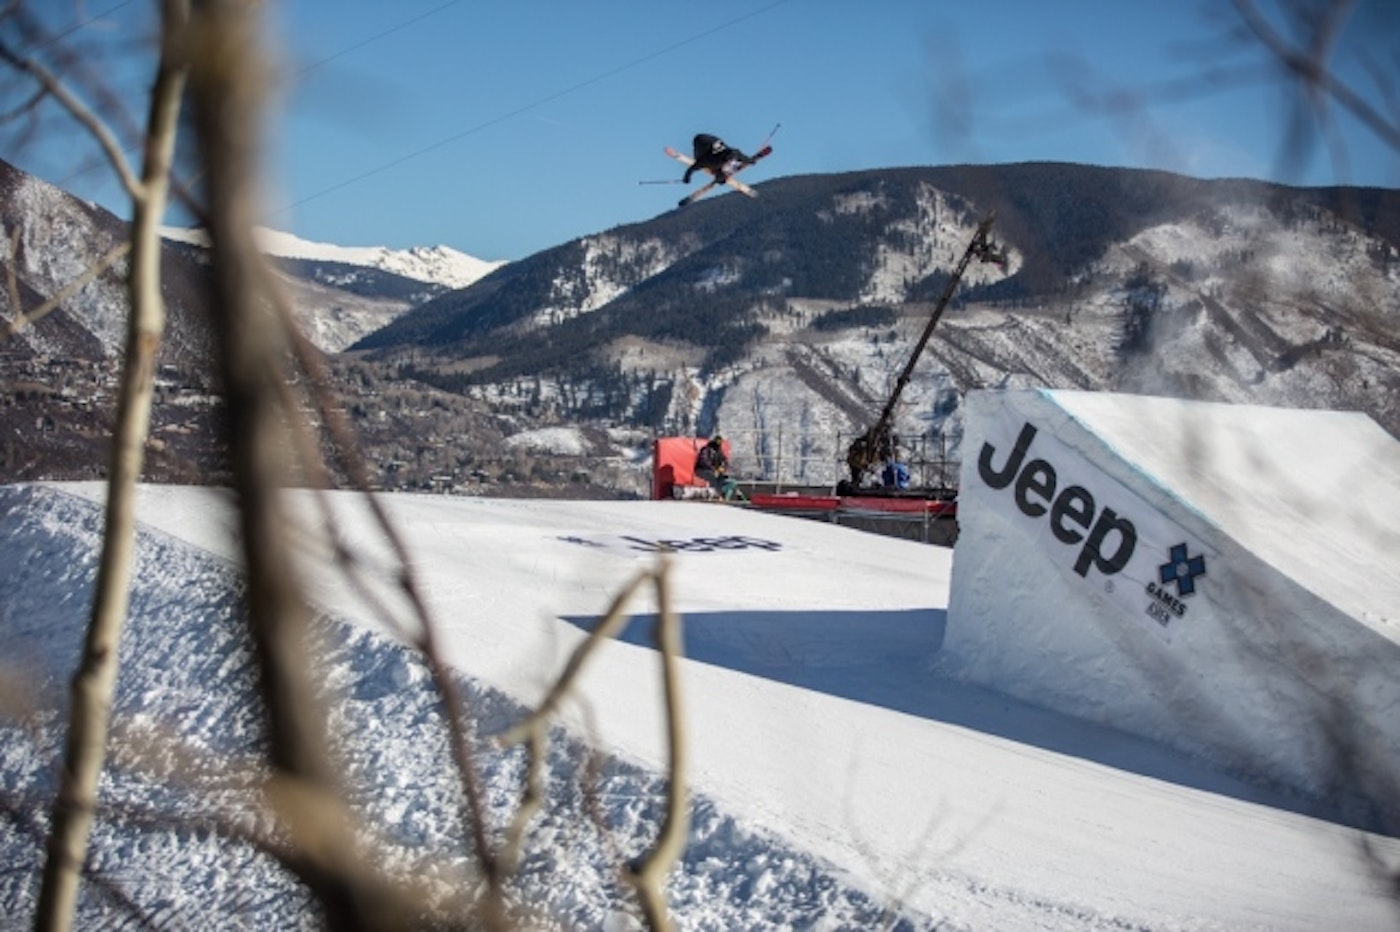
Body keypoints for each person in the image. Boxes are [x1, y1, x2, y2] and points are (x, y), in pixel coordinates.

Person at [682, 133, 755, 186]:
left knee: (721, 163)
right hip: (700, 142)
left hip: (713, 141)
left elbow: (738, 154)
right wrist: (687, 178)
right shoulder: (708, 161)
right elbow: (692, 168)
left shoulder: (731, 155)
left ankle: (720, 176)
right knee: (700, 159)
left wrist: (750, 160)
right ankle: (719, 176)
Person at [694, 434, 741, 501]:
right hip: (702, 470)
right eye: (718, 441)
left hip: (714, 471)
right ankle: (717, 494)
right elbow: (704, 461)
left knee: (726, 479)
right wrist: (714, 469)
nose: (719, 443)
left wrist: (723, 468)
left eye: (720, 442)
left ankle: (730, 495)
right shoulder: (706, 449)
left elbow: (725, 460)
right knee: (713, 477)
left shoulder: (719, 451)